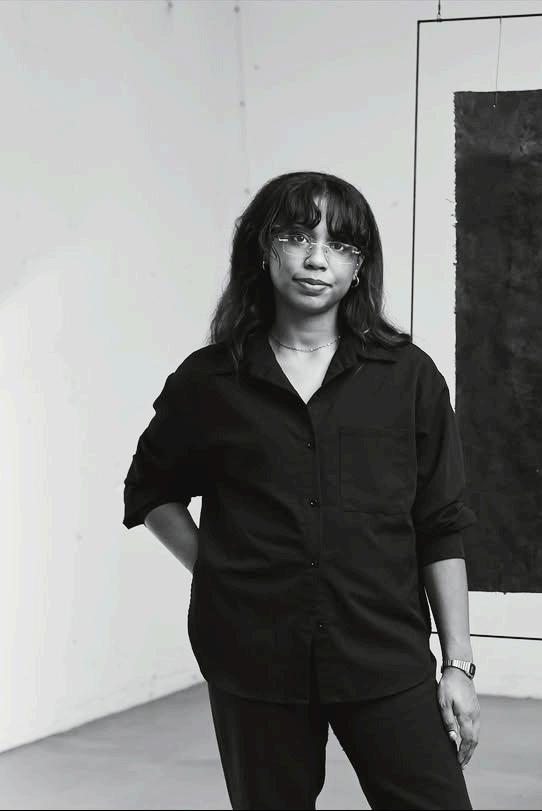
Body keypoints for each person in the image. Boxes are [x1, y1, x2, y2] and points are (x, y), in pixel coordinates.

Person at [121, 171, 479, 810]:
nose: (317, 259)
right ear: (264, 249)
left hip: (383, 652)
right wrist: (219, 569)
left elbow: (440, 524)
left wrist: (458, 665)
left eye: (340, 245)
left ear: (359, 266)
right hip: (253, 655)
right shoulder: (209, 381)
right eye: (297, 237)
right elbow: (149, 489)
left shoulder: (409, 377)